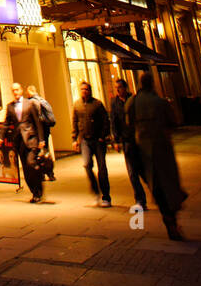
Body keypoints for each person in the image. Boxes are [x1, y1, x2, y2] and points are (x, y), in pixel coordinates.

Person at [126, 71, 188, 240]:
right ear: (152, 84)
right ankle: (172, 220)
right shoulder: (160, 102)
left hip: (142, 150)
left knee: (156, 186)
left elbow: (128, 123)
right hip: (162, 148)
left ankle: (168, 218)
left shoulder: (133, 102)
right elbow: (174, 121)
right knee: (168, 184)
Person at [0, 81, 45, 202]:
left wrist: (41, 139)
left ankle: (39, 188)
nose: (15, 92)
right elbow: (6, 123)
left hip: (31, 138)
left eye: (17, 90)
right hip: (19, 141)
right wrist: (0, 136)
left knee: (30, 163)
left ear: (21, 90)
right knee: (25, 168)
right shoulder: (10, 106)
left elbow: (37, 122)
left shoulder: (30, 104)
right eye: (13, 90)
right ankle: (35, 193)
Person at [72, 81, 111, 206]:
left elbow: (106, 121)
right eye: (82, 89)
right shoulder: (77, 105)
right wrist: (74, 139)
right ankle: (96, 192)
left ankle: (106, 196)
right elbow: (75, 122)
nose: (84, 91)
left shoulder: (97, 104)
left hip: (98, 140)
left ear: (90, 90)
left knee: (102, 168)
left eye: (86, 89)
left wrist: (103, 136)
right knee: (87, 165)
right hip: (85, 140)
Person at [110, 78, 146, 209]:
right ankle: (140, 199)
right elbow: (113, 122)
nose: (118, 90)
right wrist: (116, 140)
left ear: (125, 87)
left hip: (138, 139)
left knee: (143, 170)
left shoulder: (134, 100)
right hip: (126, 141)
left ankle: (156, 193)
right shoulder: (114, 103)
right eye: (116, 88)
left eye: (119, 87)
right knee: (132, 172)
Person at [27, 83, 56, 180]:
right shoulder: (42, 100)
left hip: (38, 132)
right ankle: (50, 173)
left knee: (38, 153)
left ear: (30, 92)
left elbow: (34, 119)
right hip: (45, 130)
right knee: (46, 152)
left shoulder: (32, 102)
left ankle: (41, 173)